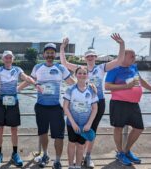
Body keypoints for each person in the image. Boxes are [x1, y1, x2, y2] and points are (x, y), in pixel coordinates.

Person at [60, 33, 125, 167]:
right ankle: (80, 155)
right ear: (85, 58)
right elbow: (64, 63)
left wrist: (121, 44)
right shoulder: (81, 70)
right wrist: (62, 48)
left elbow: (119, 60)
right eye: (88, 56)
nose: (90, 57)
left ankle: (88, 156)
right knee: (81, 128)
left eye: (92, 55)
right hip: (83, 103)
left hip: (98, 102)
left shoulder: (101, 68)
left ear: (95, 57)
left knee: (91, 130)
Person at [20, 43, 75, 168]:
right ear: (44, 54)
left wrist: (86, 87)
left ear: (54, 54)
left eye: (52, 53)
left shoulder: (61, 68)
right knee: (43, 132)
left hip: (57, 107)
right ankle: (45, 154)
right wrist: (15, 89)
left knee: (59, 136)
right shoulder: (37, 67)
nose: (50, 55)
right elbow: (29, 81)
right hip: (41, 106)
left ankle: (57, 160)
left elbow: (72, 83)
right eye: (47, 53)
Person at [0, 50, 36, 167]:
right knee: (0, 128)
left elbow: (26, 77)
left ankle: (14, 153)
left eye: (10, 58)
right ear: (3, 59)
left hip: (13, 101)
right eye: (6, 58)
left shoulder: (17, 69)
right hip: (0, 101)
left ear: (12, 59)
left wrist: (36, 84)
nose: (8, 60)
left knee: (14, 129)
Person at [105, 49, 151, 166]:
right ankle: (120, 152)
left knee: (139, 128)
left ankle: (126, 151)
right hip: (119, 103)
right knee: (118, 128)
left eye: (134, 56)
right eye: (132, 56)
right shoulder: (114, 68)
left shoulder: (133, 67)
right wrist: (127, 86)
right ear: (123, 56)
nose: (134, 58)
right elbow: (107, 86)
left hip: (134, 104)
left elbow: (140, 80)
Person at [63, 67, 98, 169]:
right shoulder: (70, 89)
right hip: (71, 124)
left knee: (80, 146)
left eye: (84, 73)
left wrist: (89, 124)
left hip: (84, 125)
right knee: (71, 144)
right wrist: (73, 123)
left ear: (87, 75)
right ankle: (70, 166)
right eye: (79, 73)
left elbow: (95, 108)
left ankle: (78, 166)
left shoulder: (91, 90)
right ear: (75, 75)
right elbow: (65, 106)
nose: (82, 75)